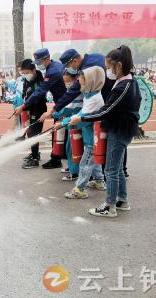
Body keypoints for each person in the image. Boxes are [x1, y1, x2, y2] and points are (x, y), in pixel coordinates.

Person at [68, 45, 141, 218]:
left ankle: (110, 206)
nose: (108, 71)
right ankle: (122, 200)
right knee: (117, 169)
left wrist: (82, 118)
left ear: (119, 65)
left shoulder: (124, 86)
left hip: (120, 130)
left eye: (109, 67)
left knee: (111, 170)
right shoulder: (127, 81)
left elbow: (107, 110)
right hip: (121, 128)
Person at [55, 66, 107, 199]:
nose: (78, 79)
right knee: (93, 160)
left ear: (91, 80)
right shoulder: (90, 94)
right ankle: (99, 181)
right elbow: (80, 113)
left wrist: (63, 123)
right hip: (91, 137)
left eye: (82, 77)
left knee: (85, 164)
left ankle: (80, 189)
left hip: (92, 139)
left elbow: (82, 118)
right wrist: (64, 119)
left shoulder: (95, 98)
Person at [14, 48, 67, 169]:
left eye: (38, 63)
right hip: (60, 103)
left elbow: (40, 92)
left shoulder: (52, 71)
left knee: (60, 133)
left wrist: (23, 105)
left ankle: (57, 159)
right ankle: (56, 157)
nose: (37, 65)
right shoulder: (52, 67)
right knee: (58, 133)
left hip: (62, 104)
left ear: (47, 59)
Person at [52, 71, 83, 181]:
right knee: (70, 147)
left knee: (73, 148)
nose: (67, 84)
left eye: (68, 81)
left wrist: (54, 113)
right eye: (65, 82)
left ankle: (75, 172)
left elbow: (69, 107)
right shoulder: (71, 91)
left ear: (75, 80)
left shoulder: (76, 92)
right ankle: (71, 168)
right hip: (72, 123)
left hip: (76, 124)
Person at [20, 59, 47, 169]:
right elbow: (25, 92)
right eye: (24, 73)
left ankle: (35, 159)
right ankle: (35, 153)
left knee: (34, 134)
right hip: (30, 109)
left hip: (38, 110)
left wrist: (24, 106)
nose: (26, 75)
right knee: (31, 133)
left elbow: (36, 97)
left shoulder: (40, 82)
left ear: (34, 70)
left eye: (27, 72)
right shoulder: (28, 80)